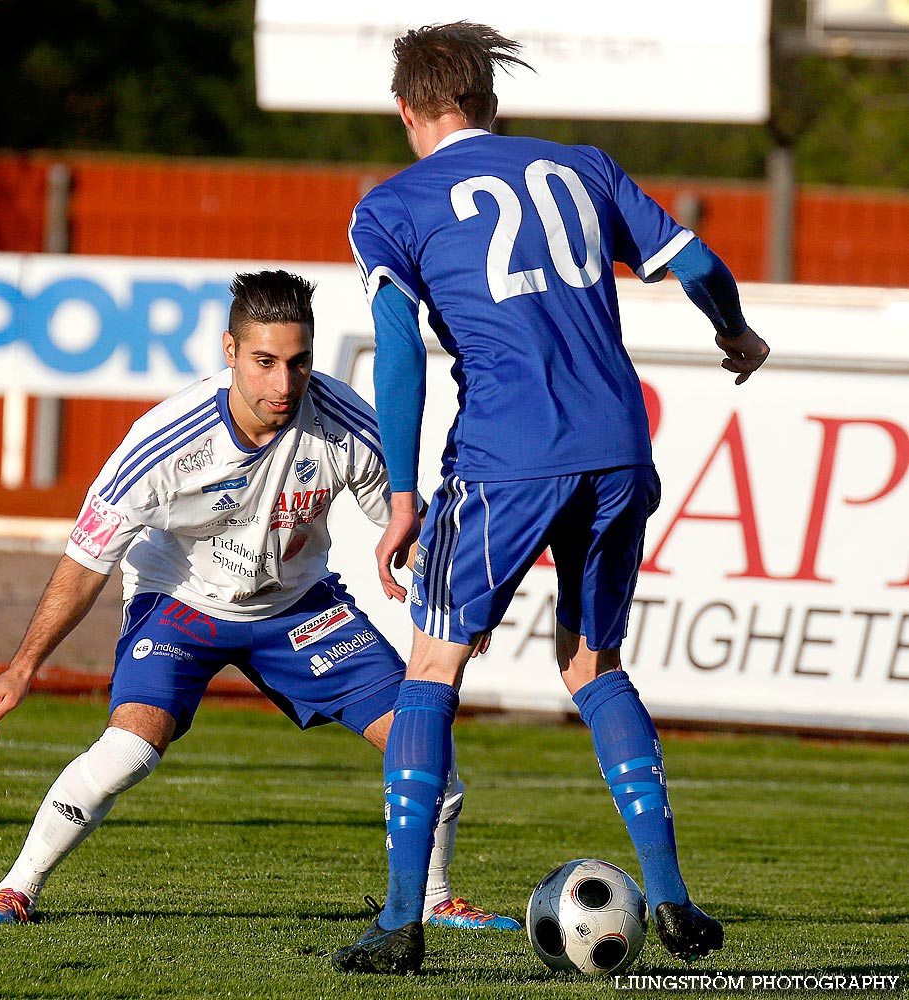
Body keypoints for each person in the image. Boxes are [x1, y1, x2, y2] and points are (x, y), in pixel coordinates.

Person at [334, 23, 771, 974]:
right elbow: (697, 264)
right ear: (492, 101)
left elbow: (402, 350)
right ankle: (676, 903)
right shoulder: (583, 167)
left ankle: (401, 922)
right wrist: (735, 336)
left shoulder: (392, 205)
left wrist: (401, 494)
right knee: (590, 661)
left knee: (431, 671)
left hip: (504, 458)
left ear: (407, 111)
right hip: (619, 447)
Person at [0, 269, 518, 933]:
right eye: (265, 362)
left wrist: (460, 601)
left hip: (299, 609)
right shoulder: (162, 444)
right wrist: (23, 667)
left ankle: (434, 896)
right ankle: (15, 888)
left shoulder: (347, 429)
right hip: (179, 605)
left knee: (428, 746)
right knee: (129, 750)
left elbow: (407, 528)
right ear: (230, 352)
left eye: (299, 362)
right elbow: (86, 564)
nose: (284, 384)